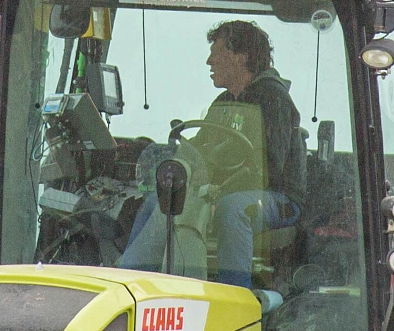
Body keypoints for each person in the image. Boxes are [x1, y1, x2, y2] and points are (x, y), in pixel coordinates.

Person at [121, 19, 303, 287]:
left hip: (277, 198)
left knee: (233, 208)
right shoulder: (224, 103)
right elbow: (200, 148)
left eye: (216, 52)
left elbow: (269, 168)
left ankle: (234, 295)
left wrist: (218, 192)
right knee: (158, 200)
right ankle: (130, 281)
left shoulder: (273, 99)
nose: (209, 61)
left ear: (242, 57)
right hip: (227, 188)